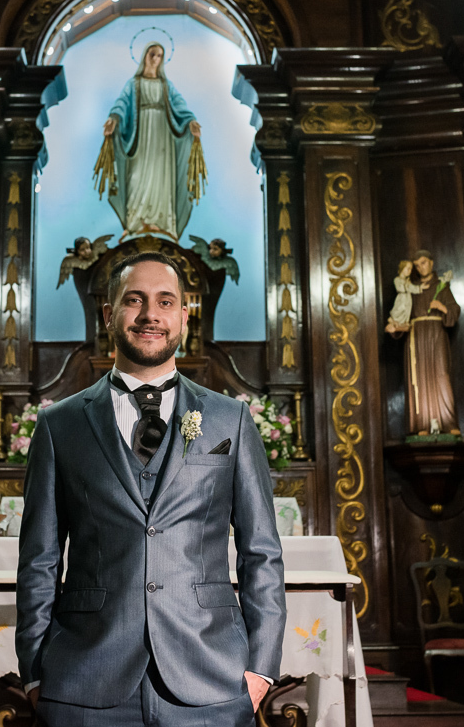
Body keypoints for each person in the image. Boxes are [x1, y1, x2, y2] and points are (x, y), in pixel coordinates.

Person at [16, 252, 285, 726]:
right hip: (83, 680)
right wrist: (36, 671)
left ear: (185, 315)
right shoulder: (59, 426)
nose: (150, 316)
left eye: (165, 302)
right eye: (134, 301)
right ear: (109, 314)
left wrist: (260, 668)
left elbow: (261, 550)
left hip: (211, 678)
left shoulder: (231, 420)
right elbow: (39, 558)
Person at [100, 42, 204, 240]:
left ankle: (162, 223)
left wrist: (191, 121)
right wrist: (114, 118)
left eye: (159, 56)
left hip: (162, 136)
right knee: (138, 175)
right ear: (144, 56)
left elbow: (180, 104)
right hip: (141, 137)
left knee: (161, 176)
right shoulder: (134, 83)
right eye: (152, 54)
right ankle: (136, 223)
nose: (155, 59)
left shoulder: (166, 85)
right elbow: (122, 103)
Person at [386, 250, 460, 434]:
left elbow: (454, 310)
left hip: (436, 334)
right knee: (418, 379)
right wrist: (395, 326)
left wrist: (441, 307)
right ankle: (422, 425)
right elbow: (402, 311)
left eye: (424, 263)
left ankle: (448, 423)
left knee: (441, 375)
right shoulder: (410, 287)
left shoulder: (441, 286)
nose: (421, 267)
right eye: (417, 265)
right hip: (416, 337)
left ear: (432, 263)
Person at [385, 259, 416, 332]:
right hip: (401, 299)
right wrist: (407, 286)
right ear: (402, 268)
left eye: (411, 269)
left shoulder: (408, 281)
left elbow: (413, 288)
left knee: (407, 309)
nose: (410, 271)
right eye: (408, 268)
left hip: (407, 298)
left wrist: (420, 288)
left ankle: (403, 322)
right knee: (400, 309)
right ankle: (393, 320)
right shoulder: (397, 279)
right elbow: (401, 288)